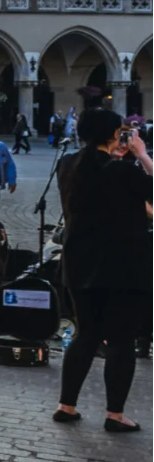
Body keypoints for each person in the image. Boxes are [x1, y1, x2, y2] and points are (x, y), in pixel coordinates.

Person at [53, 108, 154, 432]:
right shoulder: (122, 171)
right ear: (113, 135)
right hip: (122, 266)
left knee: (86, 335)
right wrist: (142, 155)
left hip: (80, 265)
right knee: (121, 339)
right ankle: (115, 414)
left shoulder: (68, 165)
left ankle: (66, 405)